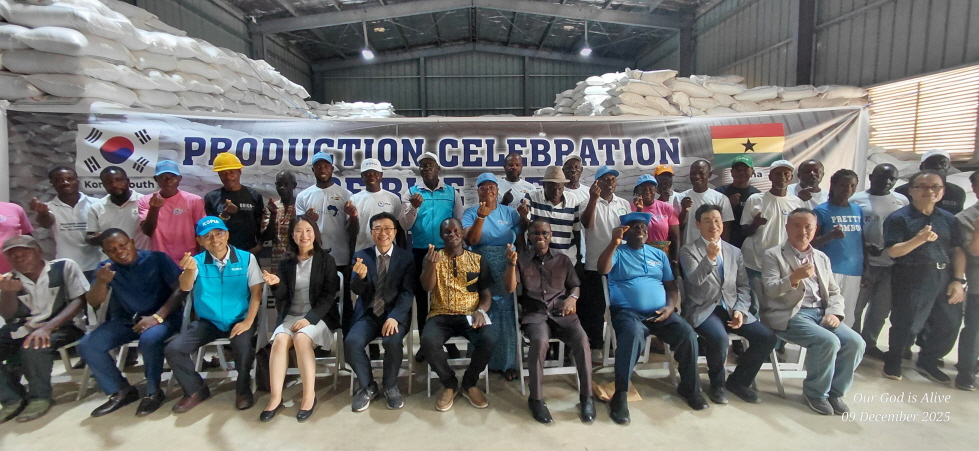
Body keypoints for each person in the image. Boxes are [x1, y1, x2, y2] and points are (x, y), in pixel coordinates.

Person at [599, 212, 708, 425]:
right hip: (628, 313)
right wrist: (614, 242)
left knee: (687, 334)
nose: (641, 230)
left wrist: (670, 307)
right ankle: (620, 394)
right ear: (625, 232)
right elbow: (602, 268)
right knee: (632, 336)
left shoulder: (658, 255)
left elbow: (671, 287)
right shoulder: (618, 252)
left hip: (660, 313)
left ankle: (690, 388)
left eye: (643, 227)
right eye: (635, 227)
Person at [761, 208, 865, 415]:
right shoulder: (773, 255)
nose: (803, 231)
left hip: (821, 313)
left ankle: (835, 392)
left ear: (815, 229)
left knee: (856, 342)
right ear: (787, 228)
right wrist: (794, 277)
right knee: (828, 341)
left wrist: (835, 313)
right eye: (797, 226)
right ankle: (816, 393)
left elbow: (834, 291)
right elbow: (771, 289)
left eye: (808, 227)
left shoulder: (821, 257)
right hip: (791, 314)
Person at [78, 229, 183, 417]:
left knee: (149, 339)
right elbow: (93, 301)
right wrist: (101, 282)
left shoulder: (157, 259)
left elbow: (180, 289)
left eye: (123, 245)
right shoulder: (105, 269)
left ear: (132, 242)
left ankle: (153, 391)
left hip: (163, 317)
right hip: (126, 321)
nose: (119, 251)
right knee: (88, 345)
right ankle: (121, 390)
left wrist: (158, 317)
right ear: (105, 252)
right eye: (112, 250)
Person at [164, 216, 263, 413]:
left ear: (227, 235)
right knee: (174, 349)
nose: (215, 239)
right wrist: (189, 271)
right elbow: (185, 287)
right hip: (208, 322)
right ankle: (195, 390)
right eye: (207, 236)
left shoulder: (246, 258)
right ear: (199, 241)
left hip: (240, 318)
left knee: (243, 347)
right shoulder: (196, 262)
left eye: (219, 233)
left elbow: (256, 292)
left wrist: (248, 321)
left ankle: (243, 390)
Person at [680, 205, 776, 405]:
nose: (713, 225)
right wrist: (710, 258)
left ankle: (739, 382)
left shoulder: (734, 251)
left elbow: (743, 286)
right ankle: (717, 385)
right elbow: (695, 280)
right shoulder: (688, 250)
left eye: (717, 220)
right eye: (707, 221)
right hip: (703, 309)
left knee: (766, 338)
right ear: (698, 224)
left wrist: (740, 310)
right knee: (720, 338)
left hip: (731, 307)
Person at [503, 219, 594, 424]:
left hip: (562, 313)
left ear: (551, 235)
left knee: (582, 340)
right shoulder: (521, 259)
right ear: (529, 237)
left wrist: (573, 298)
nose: (540, 237)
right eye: (536, 233)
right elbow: (510, 288)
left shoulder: (563, 260)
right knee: (539, 341)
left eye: (545, 233)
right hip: (535, 315)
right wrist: (510, 264)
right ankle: (536, 399)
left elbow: (575, 285)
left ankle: (587, 398)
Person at [882, 171, 965, 384]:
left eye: (935, 187)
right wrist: (918, 240)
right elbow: (893, 251)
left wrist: (958, 280)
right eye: (923, 187)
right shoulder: (899, 218)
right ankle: (894, 360)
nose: (930, 191)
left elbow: (957, 250)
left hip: (944, 275)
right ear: (911, 191)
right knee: (907, 321)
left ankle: (929, 360)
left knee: (948, 323)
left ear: (942, 191)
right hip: (912, 274)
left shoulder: (949, 219)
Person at [259, 214, 340, 422]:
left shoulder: (326, 260)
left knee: (301, 338)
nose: (304, 235)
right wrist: (276, 284)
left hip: (319, 316)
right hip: (291, 315)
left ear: (315, 234)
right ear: (292, 235)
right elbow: (282, 297)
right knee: (279, 340)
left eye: (308, 230)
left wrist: (309, 319)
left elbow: (328, 296)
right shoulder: (286, 262)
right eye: (299, 231)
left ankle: (308, 396)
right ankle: (275, 398)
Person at [0, 235, 87, 423]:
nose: (20, 258)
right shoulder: (9, 279)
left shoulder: (63, 266)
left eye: (25, 252)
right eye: (13, 255)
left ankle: (40, 397)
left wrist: (48, 327)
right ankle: (11, 399)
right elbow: (8, 315)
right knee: (27, 338)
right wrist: (8, 293)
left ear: (39, 251)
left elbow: (79, 300)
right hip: (24, 327)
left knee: (34, 345)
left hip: (64, 326)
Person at [419, 218, 497, 412]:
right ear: (441, 236)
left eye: (456, 231)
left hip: (470, 315)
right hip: (440, 314)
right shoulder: (433, 257)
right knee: (428, 341)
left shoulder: (477, 259)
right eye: (447, 232)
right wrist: (431, 265)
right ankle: (449, 383)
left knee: (489, 339)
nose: (452, 235)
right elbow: (427, 287)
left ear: (462, 233)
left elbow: (486, 295)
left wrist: (481, 311)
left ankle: (469, 383)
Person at [344, 212, 416, 411]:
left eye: (387, 228)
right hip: (368, 314)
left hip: (394, 315)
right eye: (377, 228)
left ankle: (390, 386)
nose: (383, 233)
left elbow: (408, 292)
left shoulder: (406, 257)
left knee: (392, 341)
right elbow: (356, 290)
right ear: (371, 232)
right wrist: (360, 278)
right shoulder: (361, 256)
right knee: (351, 342)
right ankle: (368, 386)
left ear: (395, 232)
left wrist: (395, 317)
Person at [400, 152, 465, 360]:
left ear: (438, 169)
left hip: (447, 251)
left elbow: (459, 222)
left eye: (430, 165)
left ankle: (449, 343)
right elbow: (405, 225)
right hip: (421, 251)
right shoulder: (411, 193)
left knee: (447, 297)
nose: (426, 168)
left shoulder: (451, 193)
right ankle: (425, 345)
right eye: (423, 166)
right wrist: (414, 207)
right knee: (422, 299)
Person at [463, 173, 523, 381]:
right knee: (481, 310)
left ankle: (507, 364)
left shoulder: (509, 212)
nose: (488, 191)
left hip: (507, 263)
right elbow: (471, 240)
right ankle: (481, 363)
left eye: (492, 187)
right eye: (483, 187)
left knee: (506, 313)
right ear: (478, 191)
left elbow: (520, 237)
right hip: (480, 264)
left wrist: (517, 263)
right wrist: (481, 217)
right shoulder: (471, 213)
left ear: (497, 191)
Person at [850, 163, 908, 359]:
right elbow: (851, 231)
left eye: (892, 178)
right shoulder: (856, 200)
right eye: (883, 177)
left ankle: (870, 343)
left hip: (891, 265)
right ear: (871, 178)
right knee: (856, 307)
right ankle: (853, 343)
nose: (888, 182)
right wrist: (865, 246)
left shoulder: (901, 201)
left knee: (880, 310)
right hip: (863, 264)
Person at [295, 151, 357, 330]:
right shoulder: (304, 196)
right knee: (319, 300)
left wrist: (353, 217)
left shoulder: (345, 194)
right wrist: (310, 221)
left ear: (332, 168)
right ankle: (321, 337)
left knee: (345, 300)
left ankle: (347, 338)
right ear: (313, 169)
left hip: (341, 257)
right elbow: (300, 230)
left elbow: (353, 231)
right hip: (314, 258)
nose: (322, 169)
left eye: (326, 166)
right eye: (318, 166)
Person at [580, 166, 632, 358]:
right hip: (595, 264)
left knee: (620, 307)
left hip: (619, 265)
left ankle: (617, 344)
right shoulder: (587, 202)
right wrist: (593, 199)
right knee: (595, 309)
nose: (610, 182)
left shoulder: (623, 204)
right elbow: (586, 224)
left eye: (613, 179)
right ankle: (595, 346)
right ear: (597, 183)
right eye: (605, 179)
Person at [740, 160, 805, 312]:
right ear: (770, 177)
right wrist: (755, 224)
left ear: (791, 178)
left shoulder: (797, 203)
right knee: (754, 306)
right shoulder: (755, 199)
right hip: (755, 261)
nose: (782, 177)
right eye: (778, 174)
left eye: (786, 174)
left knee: (778, 307)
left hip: (783, 263)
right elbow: (744, 231)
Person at [812, 170, 864, 326]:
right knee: (827, 313)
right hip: (829, 269)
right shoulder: (821, 211)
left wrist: (866, 268)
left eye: (852, 186)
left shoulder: (858, 210)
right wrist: (830, 236)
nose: (848, 189)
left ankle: (844, 341)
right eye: (843, 185)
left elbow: (861, 240)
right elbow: (810, 244)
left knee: (847, 315)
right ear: (833, 185)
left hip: (854, 270)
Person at [30, 167, 99, 275]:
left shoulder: (96, 204)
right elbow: (46, 223)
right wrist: (42, 213)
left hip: (96, 265)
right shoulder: (49, 207)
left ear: (77, 181)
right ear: (52, 183)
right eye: (59, 180)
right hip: (66, 267)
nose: (65, 182)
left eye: (70, 179)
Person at [138, 160, 206, 264]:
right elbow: (147, 231)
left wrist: (200, 260)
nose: (168, 180)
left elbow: (201, 232)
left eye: (173, 176)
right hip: (160, 261)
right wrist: (154, 208)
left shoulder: (194, 200)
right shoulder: (145, 201)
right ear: (156, 179)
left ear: (179, 178)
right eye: (163, 177)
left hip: (189, 259)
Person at [203, 153, 264, 253]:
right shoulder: (211, 198)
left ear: (239, 172)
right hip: (221, 253)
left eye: (232, 172)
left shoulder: (254, 196)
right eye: (223, 173)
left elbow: (261, 225)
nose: (228, 177)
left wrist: (259, 246)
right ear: (219, 175)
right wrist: (225, 214)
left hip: (249, 251)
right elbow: (210, 229)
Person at [524, 166, 580, 263]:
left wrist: (579, 258)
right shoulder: (532, 197)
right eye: (552, 188)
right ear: (543, 185)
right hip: (537, 259)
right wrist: (523, 216)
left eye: (560, 188)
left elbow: (576, 231)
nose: (556, 192)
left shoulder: (572, 199)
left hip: (565, 259)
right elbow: (525, 226)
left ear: (564, 186)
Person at [954, 171, 979, 390]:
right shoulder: (966, 218)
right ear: (975, 189)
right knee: (974, 329)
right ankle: (966, 372)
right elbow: (973, 251)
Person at [86, 166, 148, 250]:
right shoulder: (96, 207)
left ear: (128, 181)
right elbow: (90, 235)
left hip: (141, 256)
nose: (114, 185)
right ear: (103, 185)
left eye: (118, 180)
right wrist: (99, 238)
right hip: (111, 257)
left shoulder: (145, 201)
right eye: (109, 182)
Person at [348, 158, 402, 253]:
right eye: (368, 174)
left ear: (381, 175)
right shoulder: (354, 199)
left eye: (376, 173)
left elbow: (399, 229)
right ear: (362, 176)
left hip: (388, 252)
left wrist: (402, 253)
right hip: (363, 251)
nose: (372, 177)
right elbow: (351, 232)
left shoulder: (393, 198)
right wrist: (353, 217)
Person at [676, 159, 734, 247]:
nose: (697, 177)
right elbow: (677, 228)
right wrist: (684, 211)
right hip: (689, 248)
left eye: (701, 173)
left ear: (709, 175)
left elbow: (726, 228)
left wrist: (723, 249)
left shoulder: (721, 198)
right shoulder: (680, 197)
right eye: (693, 173)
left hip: (713, 248)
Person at [894, 149, 966, 214]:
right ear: (921, 167)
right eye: (932, 163)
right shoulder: (902, 191)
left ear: (949, 167)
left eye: (943, 163)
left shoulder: (957, 192)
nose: (938, 166)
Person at [715, 155, 761, 248]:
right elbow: (712, 217)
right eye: (738, 169)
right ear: (731, 172)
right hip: (724, 242)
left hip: (749, 244)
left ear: (752, 172)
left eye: (745, 169)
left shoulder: (757, 196)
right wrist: (728, 206)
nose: (741, 172)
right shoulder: (719, 192)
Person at [631, 174, 680, 260]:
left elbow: (675, 238)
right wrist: (639, 210)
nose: (647, 191)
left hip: (662, 256)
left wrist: (675, 261)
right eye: (643, 189)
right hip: (639, 256)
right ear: (637, 191)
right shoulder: (630, 208)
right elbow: (630, 234)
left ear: (655, 190)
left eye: (650, 188)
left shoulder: (666, 208)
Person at [261, 171, 298, 273]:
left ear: (294, 185)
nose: (282, 188)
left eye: (286, 184)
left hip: (298, 260)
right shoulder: (272, 208)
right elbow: (266, 237)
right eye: (279, 184)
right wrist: (273, 216)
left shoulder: (301, 207)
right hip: (277, 262)